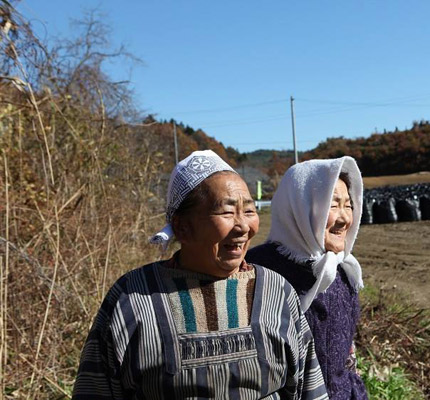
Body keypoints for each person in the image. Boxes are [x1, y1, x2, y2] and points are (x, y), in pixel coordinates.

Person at [73, 150, 329, 400]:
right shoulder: (134, 297)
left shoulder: (277, 291)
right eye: (227, 212)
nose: (243, 227)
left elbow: (309, 387)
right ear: (182, 227)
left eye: (249, 211)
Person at [246, 156, 368, 400]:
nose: (344, 218)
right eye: (333, 205)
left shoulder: (341, 270)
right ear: (299, 206)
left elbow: (345, 356)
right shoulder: (256, 270)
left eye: (348, 205)